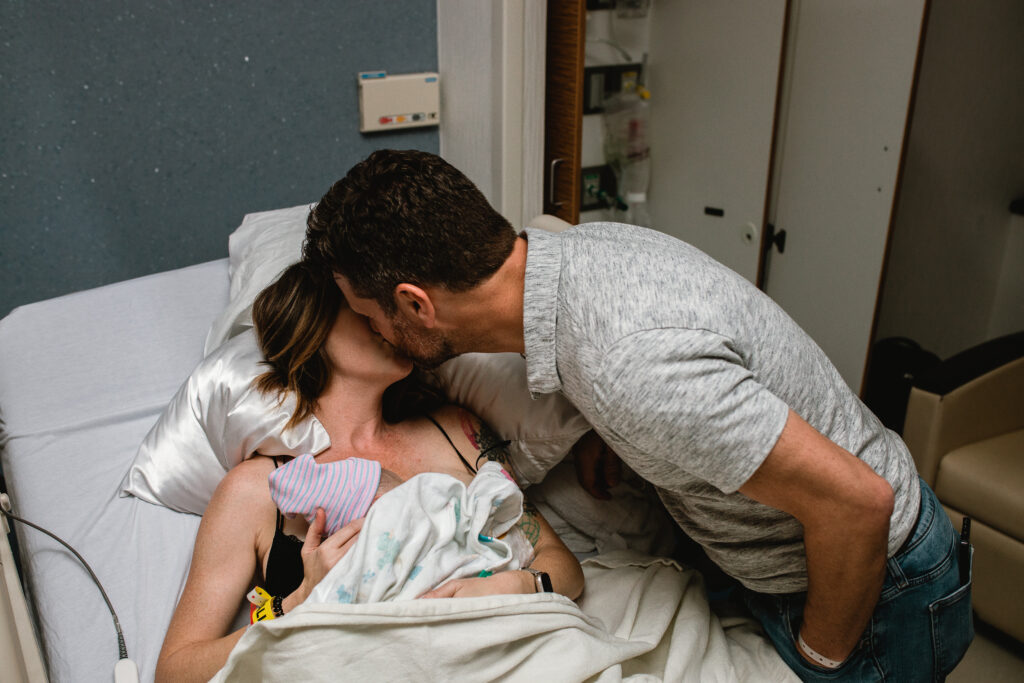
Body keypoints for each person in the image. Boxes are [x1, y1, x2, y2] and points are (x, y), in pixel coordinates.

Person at [302, 149, 974, 682]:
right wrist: (616, 430)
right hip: (800, 560)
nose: (377, 338)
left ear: (416, 304)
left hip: (873, 584)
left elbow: (858, 503)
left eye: (370, 318)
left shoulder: (625, 364)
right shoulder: (578, 261)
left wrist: (821, 661)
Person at [155, 261, 583, 682]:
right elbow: (176, 670)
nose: (394, 323)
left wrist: (521, 588)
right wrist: (301, 603)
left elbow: (561, 564)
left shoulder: (455, 430)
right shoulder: (257, 489)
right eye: (368, 310)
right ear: (314, 327)